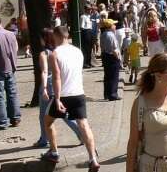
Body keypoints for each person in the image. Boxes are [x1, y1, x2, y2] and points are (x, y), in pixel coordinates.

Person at [40, 26, 100, 171]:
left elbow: (57, 78)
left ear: (55, 36)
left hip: (64, 95)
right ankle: (93, 158)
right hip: (78, 93)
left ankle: (54, 152)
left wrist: (58, 99)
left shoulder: (54, 54)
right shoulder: (78, 51)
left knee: (47, 122)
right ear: (67, 36)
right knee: (84, 125)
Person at [35, 28, 82, 147]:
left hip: (49, 84)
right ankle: (81, 134)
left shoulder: (44, 54)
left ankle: (44, 140)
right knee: (64, 114)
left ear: (43, 39)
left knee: (43, 116)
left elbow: (45, 72)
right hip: (59, 85)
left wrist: (44, 88)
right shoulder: (58, 51)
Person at [0, 16, 20, 131]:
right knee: (12, 93)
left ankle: (1, 122)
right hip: (10, 68)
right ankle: (15, 118)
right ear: (0, 23)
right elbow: (16, 48)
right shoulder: (11, 34)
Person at [100, 18, 122, 101]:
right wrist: (118, 59)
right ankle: (113, 94)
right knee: (113, 76)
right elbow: (114, 49)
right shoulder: (110, 35)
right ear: (109, 26)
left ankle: (107, 94)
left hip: (105, 56)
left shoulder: (104, 34)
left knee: (107, 76)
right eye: (113, 24)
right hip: (111, 57)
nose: (115, 26)